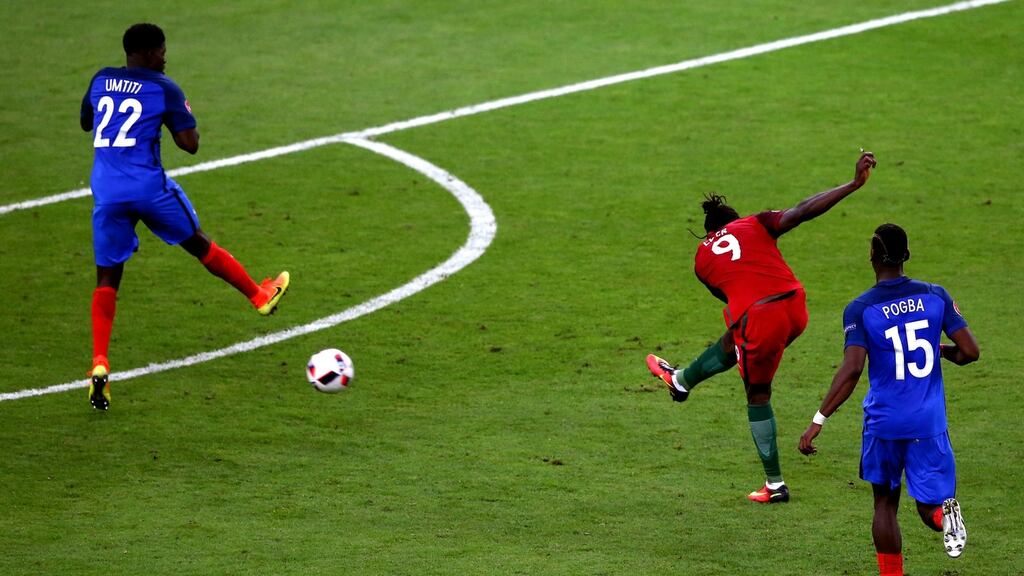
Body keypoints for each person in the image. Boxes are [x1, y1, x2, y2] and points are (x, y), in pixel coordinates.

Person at [646, 151, 877, 503]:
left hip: (760, 317)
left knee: (757, 393)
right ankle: (682, 380)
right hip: (796, 306)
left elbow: (728, 294)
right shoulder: (755, 223)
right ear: (736, 221)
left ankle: (775, 485)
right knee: (736, 336)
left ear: (709, 233)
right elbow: (803, 210)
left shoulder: (701, 260)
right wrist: (853, 184)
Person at [80, 23, 290, 410]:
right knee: (197, 242)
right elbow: (189, 144)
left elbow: (86, 121)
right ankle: (259, 295)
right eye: (161, 51)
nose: (165, 57)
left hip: (106, 192)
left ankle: (99, 362)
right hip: (148, 189)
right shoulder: (165, 88)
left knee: (107, 279)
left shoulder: (101, 78)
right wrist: (179, 110)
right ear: (147, 53)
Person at [798, 223, 979, 576]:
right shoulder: (936, 295)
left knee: (884, 504)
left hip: (885, 422)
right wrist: (939, 350)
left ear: (872, 256)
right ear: (906, 255)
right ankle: (945, 517)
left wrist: (818, 420)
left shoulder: (860, 309)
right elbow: (970, 352)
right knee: (928, 507)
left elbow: (852, 369)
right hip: (928, 422)